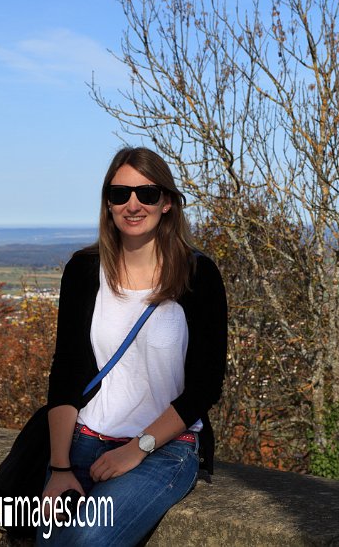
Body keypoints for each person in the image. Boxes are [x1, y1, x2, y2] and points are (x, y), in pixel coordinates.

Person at [39, 146, 227, 545]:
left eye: (147, 193)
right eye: (120, 194)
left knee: (88, 538)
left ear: (169, 204)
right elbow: (67, 368)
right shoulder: (84, 271)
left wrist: (137, 448)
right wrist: (58, 467)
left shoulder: (198, 275)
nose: (133, 204)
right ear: (108, 204)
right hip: (83, 441)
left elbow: (206, 385)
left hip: (164, 449)